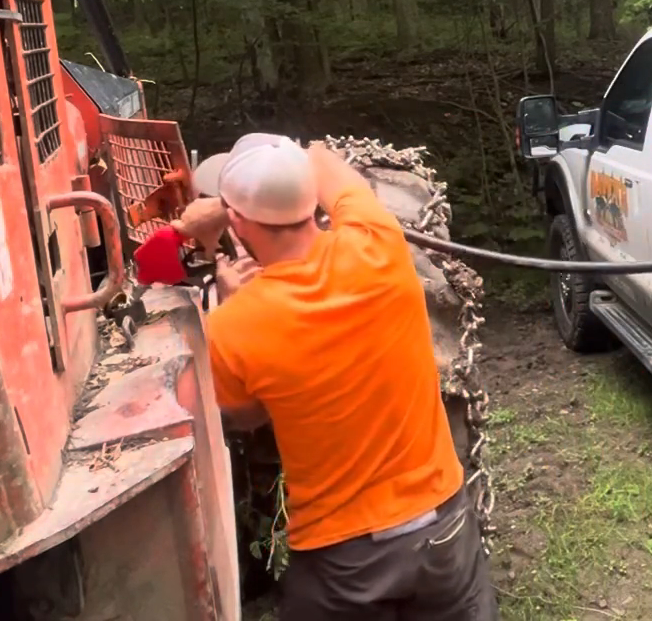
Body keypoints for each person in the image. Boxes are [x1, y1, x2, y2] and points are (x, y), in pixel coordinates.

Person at [175, 134, 496, 621]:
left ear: (236, 223)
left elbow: (240, 415)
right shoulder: (379, 242)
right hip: (444, 532)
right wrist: (250, 188)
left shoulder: (231, 329)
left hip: (343, 563)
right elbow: (322, 157)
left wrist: (230, 296)